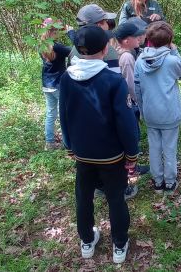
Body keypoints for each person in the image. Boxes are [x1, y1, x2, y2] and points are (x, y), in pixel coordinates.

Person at [58, 25, 139, 264]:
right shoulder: (113, 81)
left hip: (82, 153)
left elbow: (64, 115)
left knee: (83, 197)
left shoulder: (66, 78)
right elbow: (125, 122)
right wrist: (132, 153)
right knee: (115, 198)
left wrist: (69, 145)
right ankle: (119, 244)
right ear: (105, 49)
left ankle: (86, 241)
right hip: (111, 155)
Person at [134, 21, 181, 194]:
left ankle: (158, 182)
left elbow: (137, 89)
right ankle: (170, 182)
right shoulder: (172, 60)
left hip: (150, 112)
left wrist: (142, 111)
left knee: (154, 147)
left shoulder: (139, 61)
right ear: (170, 40)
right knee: (169, 148)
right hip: (170, 113)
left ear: (148, 39)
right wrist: (175, 50)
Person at [39, 18, 72, 151]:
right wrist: (70, 33)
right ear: (54, 31)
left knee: (51, 113)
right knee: (65, 113)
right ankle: (67, 143)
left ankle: (50, 143)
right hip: (58, 84)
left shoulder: (41, 45)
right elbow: (75, 52)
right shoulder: (57, 46)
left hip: (47, 84)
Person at [69, 4, 121, 73]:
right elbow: (116, 79)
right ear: (99, 26)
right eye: (106, 21)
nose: (108, 25)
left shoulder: (75, 49)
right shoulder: (107, 48)